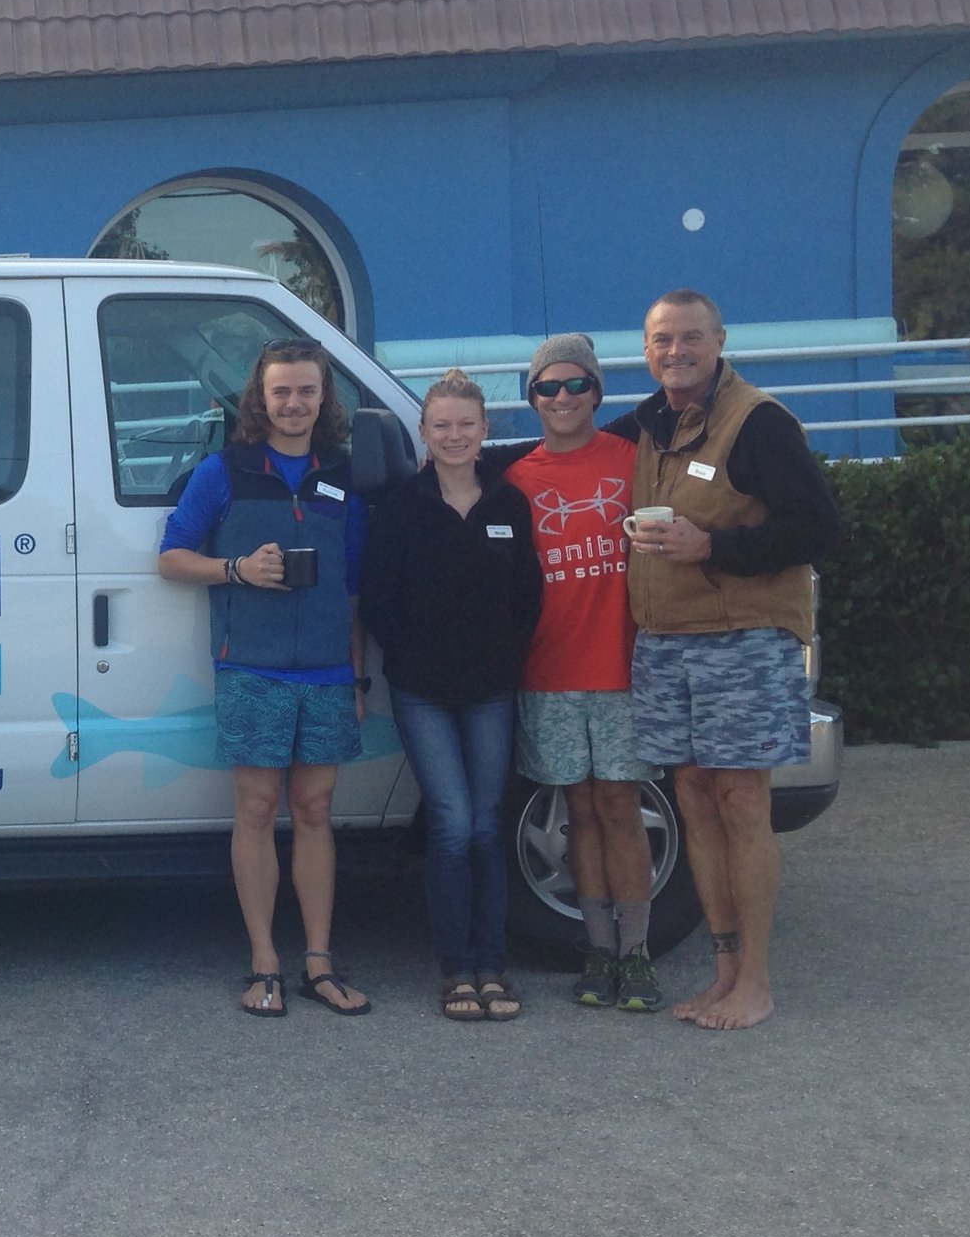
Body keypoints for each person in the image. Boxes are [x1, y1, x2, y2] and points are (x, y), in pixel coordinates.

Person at [623, 290, 840, 1030]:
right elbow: (562, 448)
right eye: (661, 340)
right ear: (645, 349)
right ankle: (721, 970)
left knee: (743, 802)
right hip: (665, 643)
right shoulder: (651, 420)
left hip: (742, 640)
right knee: (692, 799)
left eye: (689, 338)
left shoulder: (760, 421)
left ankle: (757, 979)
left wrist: (712, 545)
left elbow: (818, 526)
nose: (674, 351)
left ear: (718, 340)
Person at [156, 339, 372, 1018]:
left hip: (329, 672)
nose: (294, 402)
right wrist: (237, 570)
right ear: (260, 397)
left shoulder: (342, 475)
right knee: (254, 810)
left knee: (314, 812)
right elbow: (171, 557)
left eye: (306, 390)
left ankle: (318, 962)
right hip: (251, 666)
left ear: (323, 398)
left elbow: (355, 590)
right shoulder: (224, 471)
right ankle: (263, 962)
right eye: (281, 390)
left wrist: (358, 677)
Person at [360, 370, 542, 1021]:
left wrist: (504, 657)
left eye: (466, 424)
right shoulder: (401, 507)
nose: (455, 435)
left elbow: (528, 598)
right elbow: (378, 599)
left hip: (491, 690)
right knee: (454, 822)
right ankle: (455, 968)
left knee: (489, 826)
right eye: (442, 425)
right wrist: (412, 656)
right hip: (424, 693)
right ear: (425, 432)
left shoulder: (508, 505)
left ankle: (492, 964)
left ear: (484, 429)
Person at [502, 333, 667, 1011]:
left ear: (598, 392)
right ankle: (596, 948)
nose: (563, 397)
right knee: (578, 811)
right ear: (532, 397)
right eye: (549, 386)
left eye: (576, 384)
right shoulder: (517, 478)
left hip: (624, 666)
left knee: (622, 808)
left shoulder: (633, 462)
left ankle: (637, 954)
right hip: (550, 670)